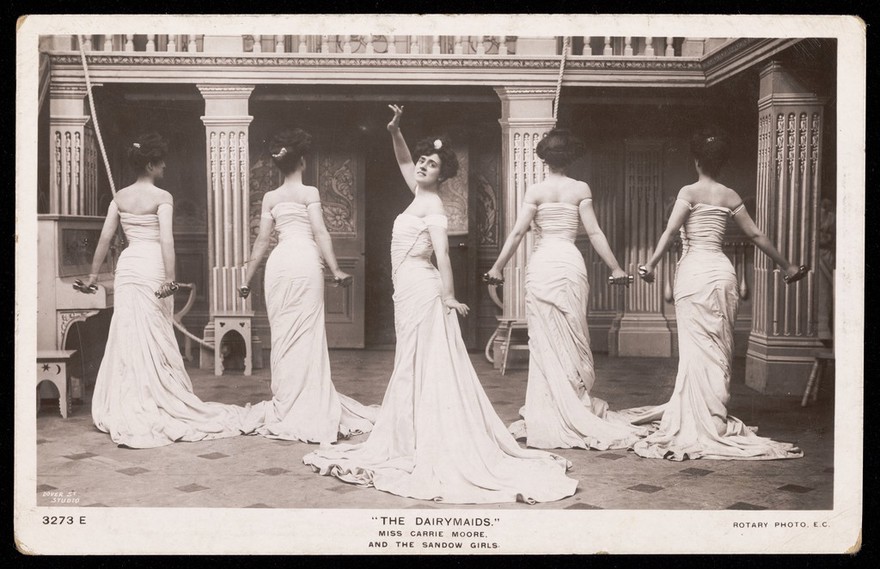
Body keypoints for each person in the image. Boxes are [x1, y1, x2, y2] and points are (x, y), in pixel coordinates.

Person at [302, 105, 578, 504]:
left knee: (423, 358)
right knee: (412, 358)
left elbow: (443, 257)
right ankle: (412, 429)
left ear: (441, 176)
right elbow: (402, 157)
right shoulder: (416, 191)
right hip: (406, 289)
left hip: (424, 286)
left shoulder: (434, 207)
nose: (423, 166)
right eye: (423, 161)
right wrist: (395, 129)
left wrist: (449, 296)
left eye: (431, 165)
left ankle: (426, 433)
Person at [621, 129, 807, 461]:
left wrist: (649, 265)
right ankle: (715, 416)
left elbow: (668, 231)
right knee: (720, 346)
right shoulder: (731, 195)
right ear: (721, 163)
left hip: (694, 274)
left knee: (696, 349)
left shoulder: (688, 191)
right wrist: (787, 265)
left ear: (696, 161)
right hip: (722, 274)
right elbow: (756, 234)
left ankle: (699, 418)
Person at [85, 133, 260, 449]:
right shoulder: (162, 197)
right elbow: (167, 241)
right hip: (151, 264)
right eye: (161, 162)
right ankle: (157, 397)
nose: (165, 166)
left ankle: (131, 400)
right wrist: (172, 279)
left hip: (128, 267)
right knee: (154, 332)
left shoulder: (119, 197)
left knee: (129, 332)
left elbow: (104, 239)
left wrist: (92, 276)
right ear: (150, 164)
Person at [484, 128, 649, 450]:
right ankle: (571, 403)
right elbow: (596, 232)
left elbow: (517, 233)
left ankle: (550, 410)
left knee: (545, 339)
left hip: (544, 263)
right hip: (570, 263)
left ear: (543, 158)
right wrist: (615, 267)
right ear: (570, 157)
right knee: (573, 334)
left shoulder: (535, 191)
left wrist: (497, 267)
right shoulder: (579, 188)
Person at [239, 128, 377, 445]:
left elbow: (262, 241)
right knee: (306, 334)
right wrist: (337, 269)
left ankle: (287, 403)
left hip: (278, 264)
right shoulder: (309, 192)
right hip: (303, 263)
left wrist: (246, 280)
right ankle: (307, 402)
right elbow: (321, 233)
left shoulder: (270, 198)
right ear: (302, 161)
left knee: (284, 335)